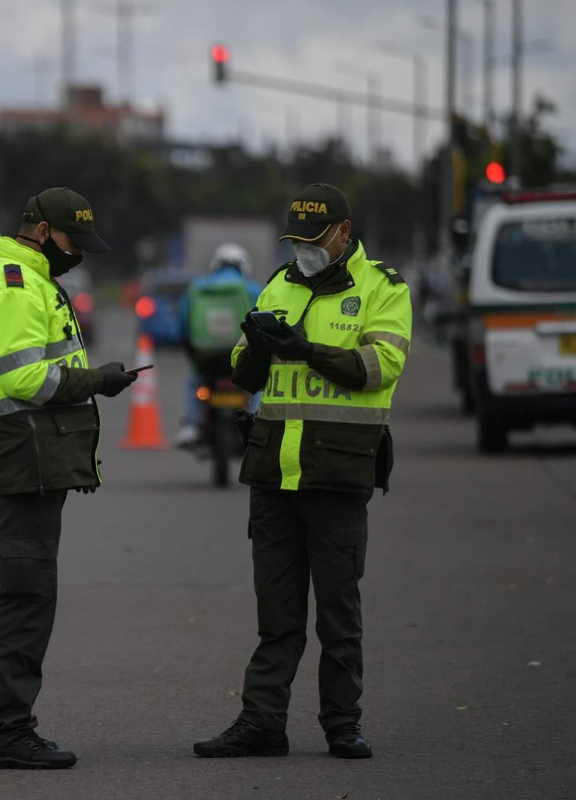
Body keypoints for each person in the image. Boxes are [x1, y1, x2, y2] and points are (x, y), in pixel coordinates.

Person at [194, 183, 411, 760]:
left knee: (338, 614)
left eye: (314, 240)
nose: (304, 250)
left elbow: (379, 367)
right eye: (296, 241)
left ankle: (342, 724)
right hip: (272, 469)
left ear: (343, 232)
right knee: (277, 614)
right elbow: (243, 372)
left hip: (337, 473)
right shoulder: (277, 284)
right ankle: (262, 722)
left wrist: (306, 348)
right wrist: (262, 350)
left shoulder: (382, 289)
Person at [0, 187, 138, 769]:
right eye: (72, 242)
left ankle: (9, 726)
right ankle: (6, 732)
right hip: (20, 457)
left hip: (30, 458)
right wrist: (97, 381)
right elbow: (25, 379)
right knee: (21, 594)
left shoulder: (32, 279)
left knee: (28, 592)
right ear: (42, 232)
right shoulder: (12, 282)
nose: (78, 254)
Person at [171, 243, 264, 448]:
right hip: (241, 356)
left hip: (207, 356)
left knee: (192, 382)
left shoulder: (198, 288)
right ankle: (257, 424)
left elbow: (183, 323)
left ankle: (192, 425)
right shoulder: (253, 289)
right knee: (257, 385)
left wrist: (191, 350)